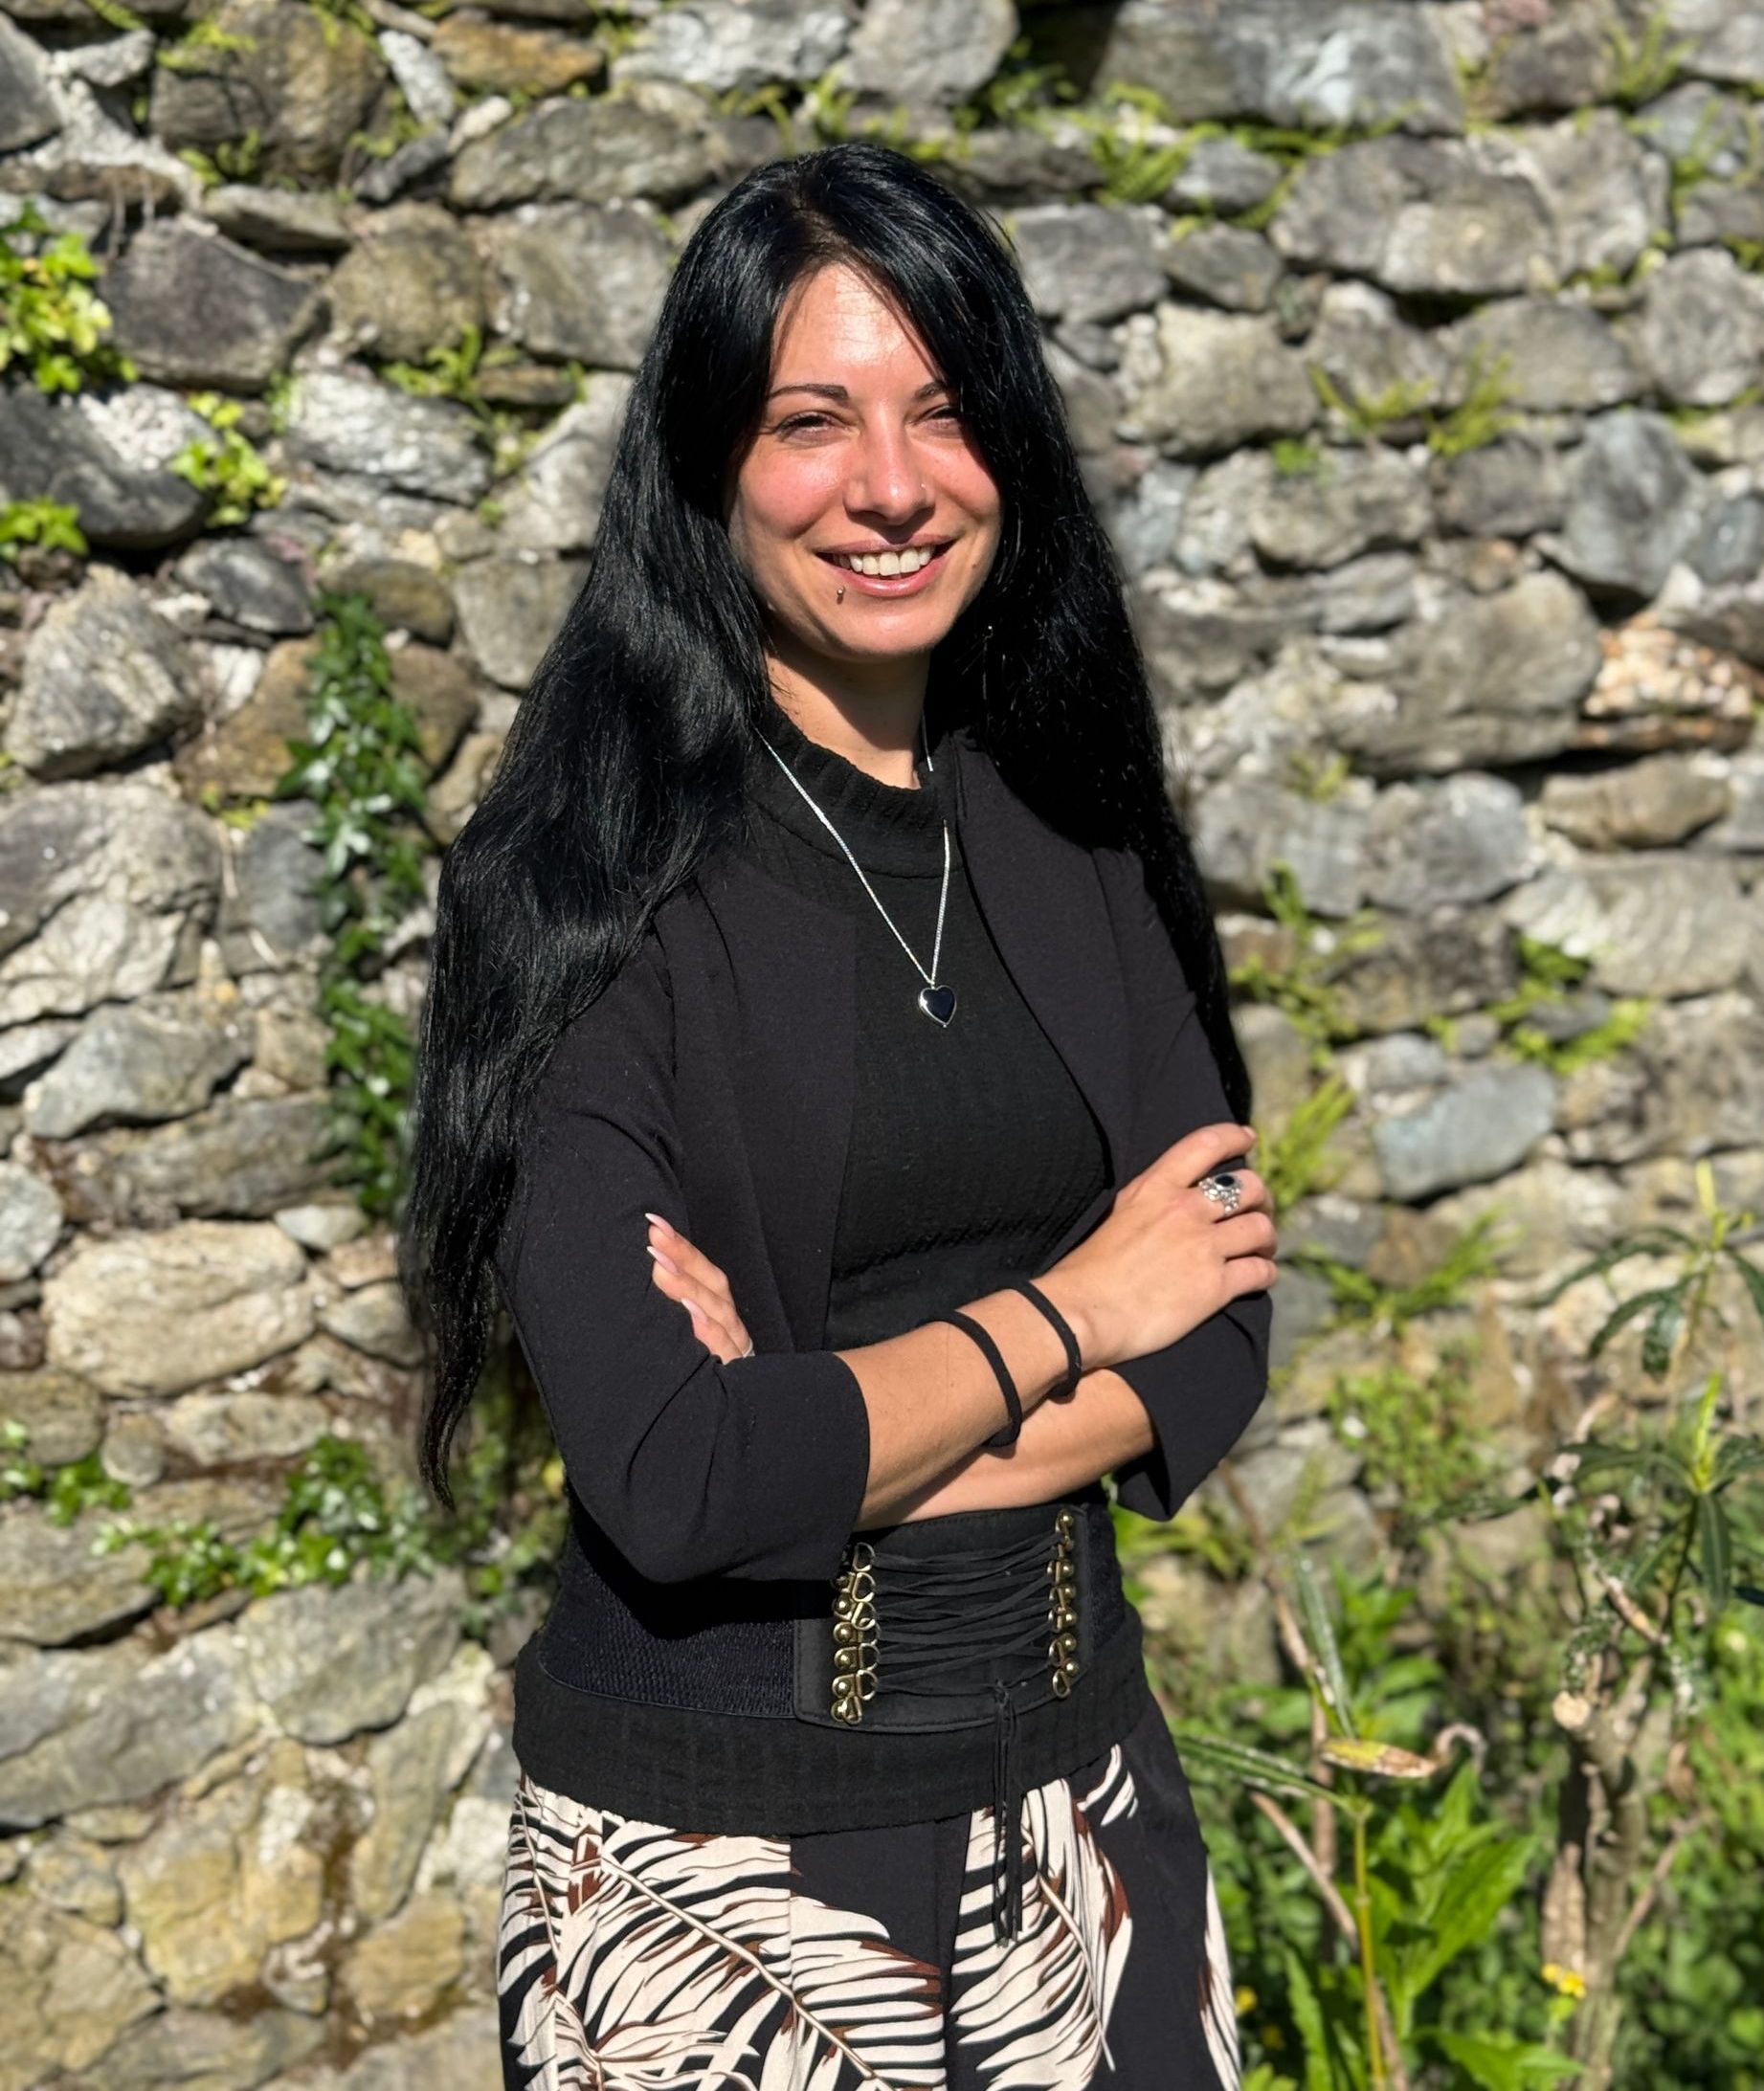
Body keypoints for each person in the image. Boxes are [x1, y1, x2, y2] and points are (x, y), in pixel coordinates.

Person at [401, 139, 1280, 2091]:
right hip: (718, 1875)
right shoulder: (585, 892)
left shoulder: (1070, 836)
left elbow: (1218, 1329)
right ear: (710, 464)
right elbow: (678, 1476)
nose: (892, 485)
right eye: (811, 422)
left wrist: (838, 1434)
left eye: (944, 413)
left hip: (1087, 1836)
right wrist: (1075, 1310)